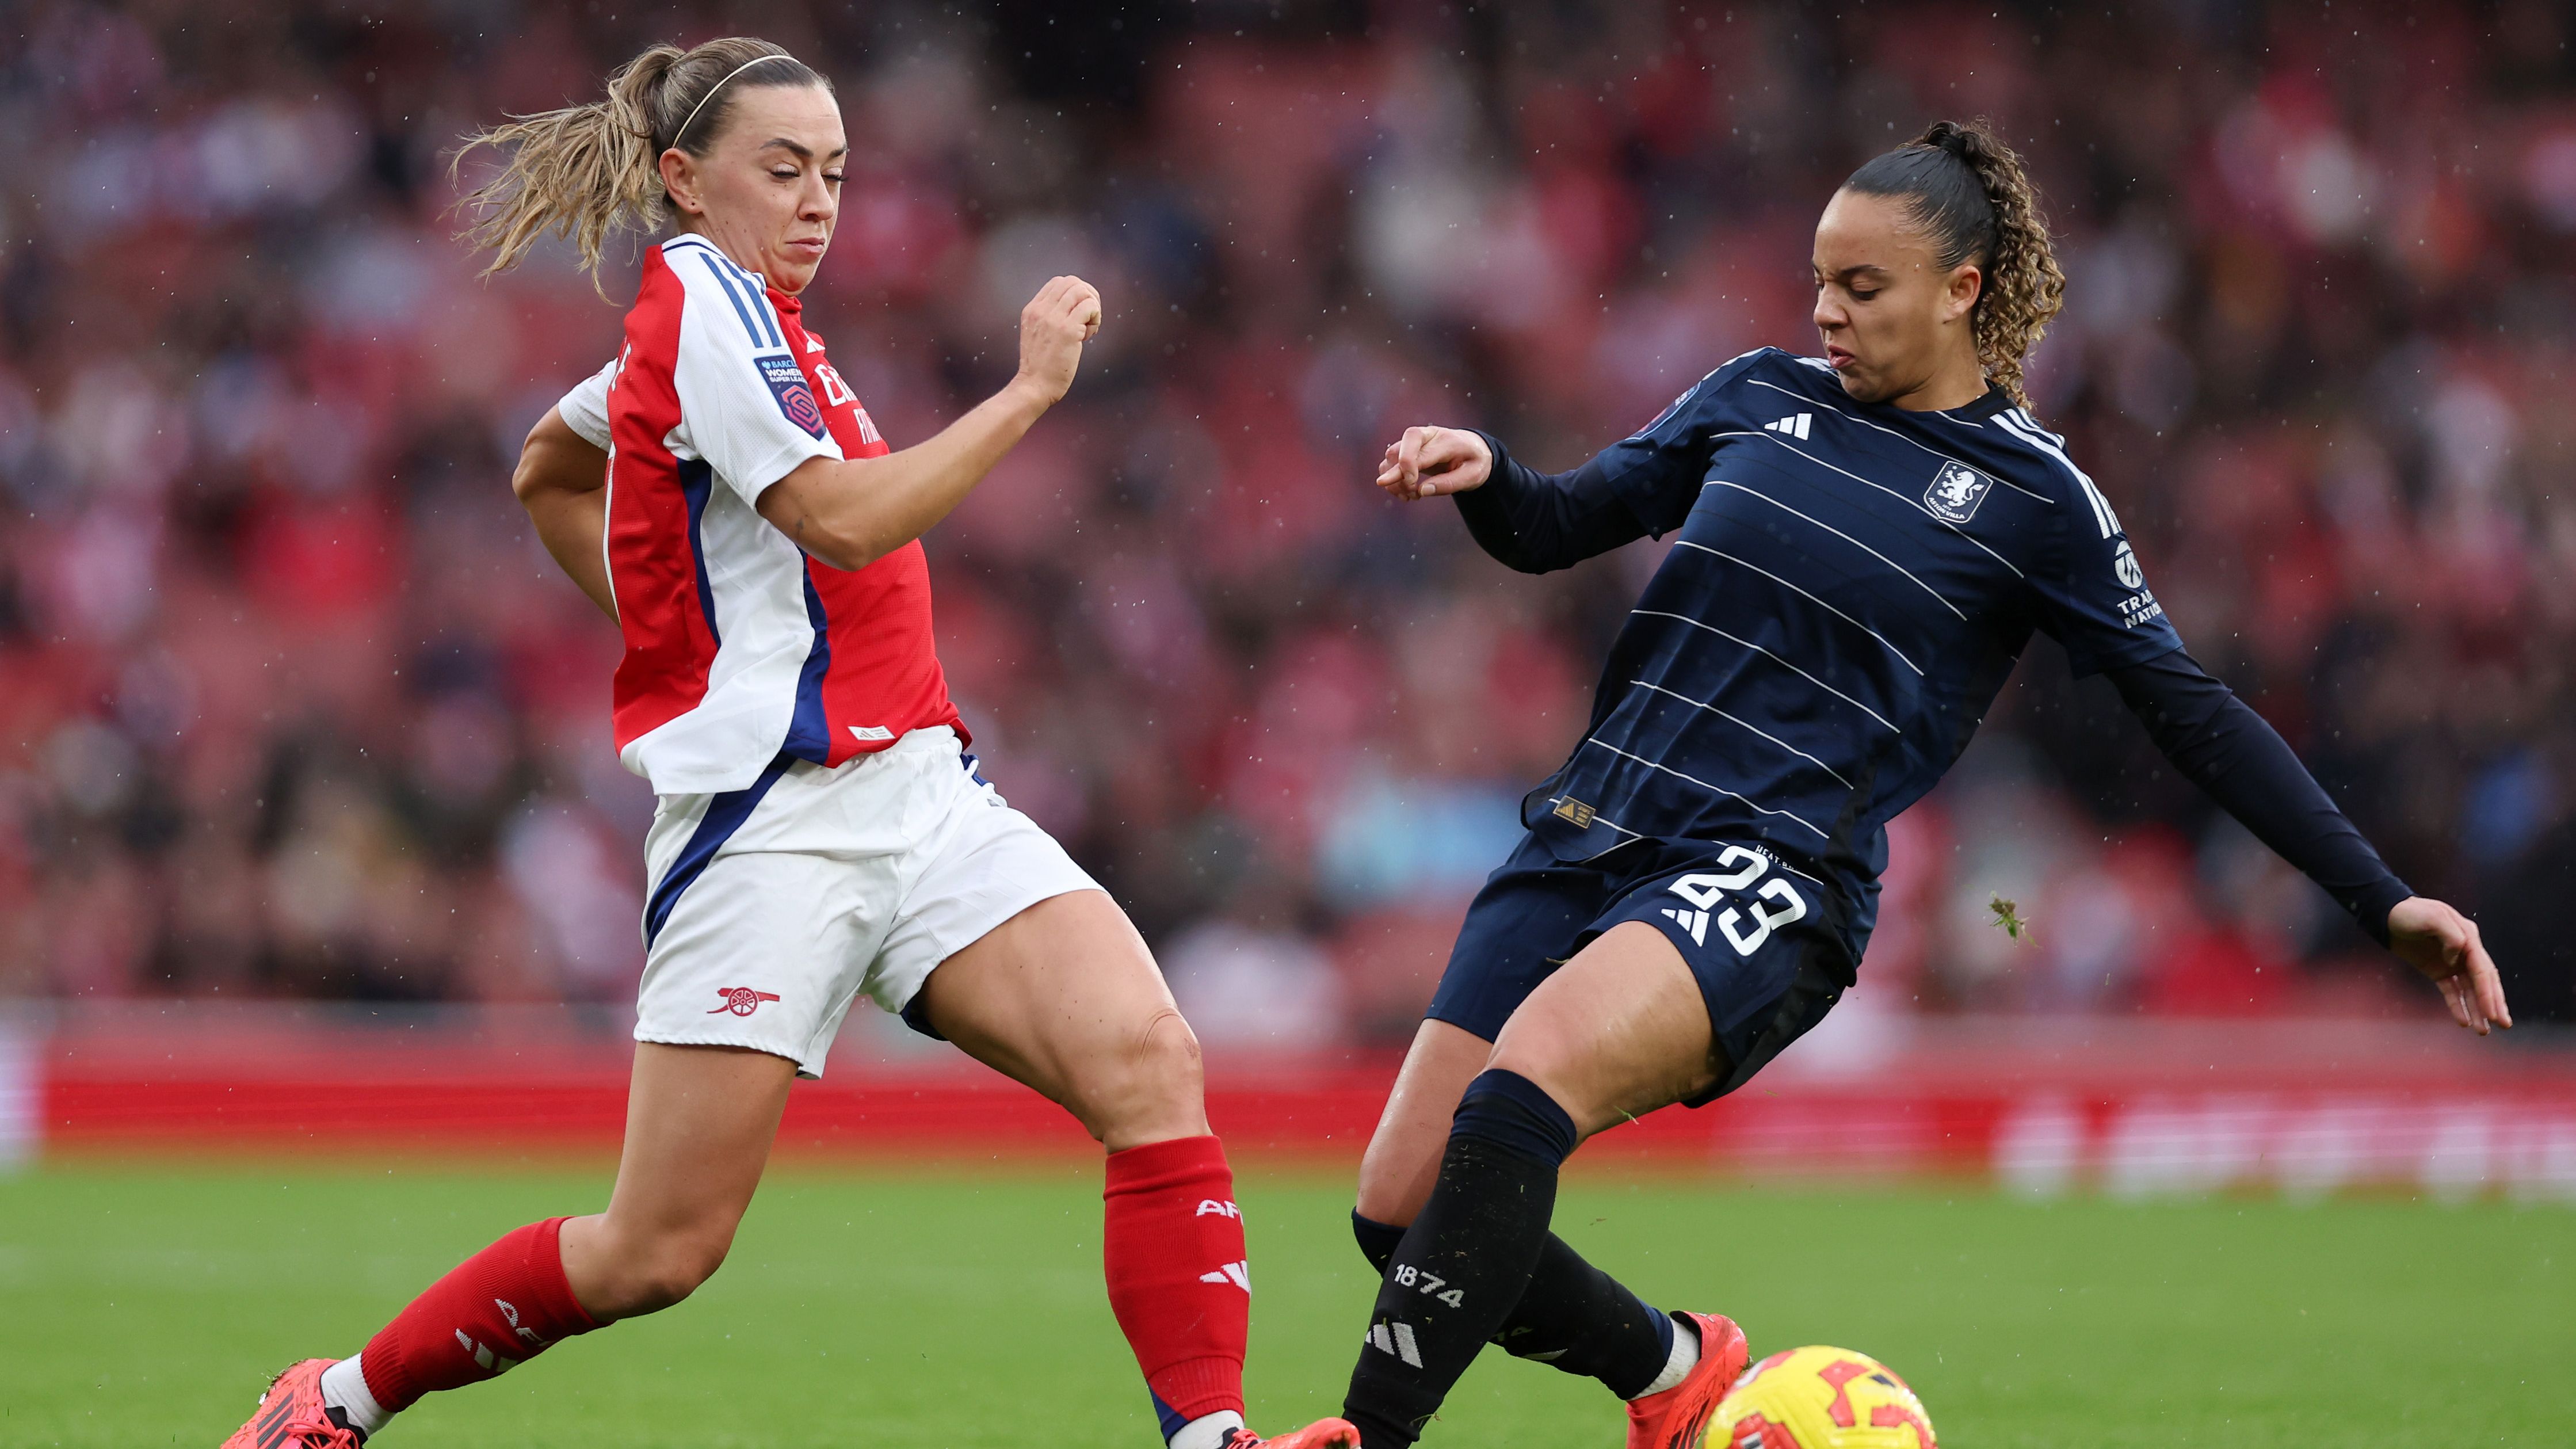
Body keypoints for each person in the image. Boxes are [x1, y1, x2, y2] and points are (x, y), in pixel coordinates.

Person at [224, 37, 1354, 1449]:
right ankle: (333, 1401)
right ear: (686, 180)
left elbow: (551, 463)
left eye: (832, 171)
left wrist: (674, 619)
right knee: (657, 1248)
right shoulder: (703, 302)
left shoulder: (758, 321)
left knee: (1148, 1058)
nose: (819, 199)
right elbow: (839, 518)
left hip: (923, 787)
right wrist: (1028, 393)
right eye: (783, 169)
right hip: (771, 821)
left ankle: (1210, 1436)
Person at [1334, 120, 2514, 1449]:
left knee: (1521, 1092)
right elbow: (1561, 521)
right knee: (1400, 1210)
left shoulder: (2036, 498)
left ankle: (1360, 1435)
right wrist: (1489, 476)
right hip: (1589, 825)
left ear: (1962, 288)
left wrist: (2381, 900)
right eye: (1821, 283)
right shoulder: (1754, 392)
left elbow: (2193, 712)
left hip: (1771, 866)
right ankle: (1671, 1368)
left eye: (1864, 287)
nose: (1828, 313)